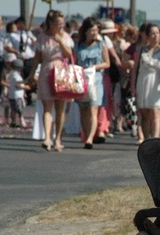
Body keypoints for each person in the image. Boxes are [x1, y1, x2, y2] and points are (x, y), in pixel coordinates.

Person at [30, 9, 74, 152]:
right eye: (57, 23)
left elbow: (69, 54)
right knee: (47, 106)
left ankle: (58, 138)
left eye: (62, 22)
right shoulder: (42, 37)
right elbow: (37, 57)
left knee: (60, 108)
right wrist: (31, 74)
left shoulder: (66, 37)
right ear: (50, 23)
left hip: (61, 72)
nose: (60, 25)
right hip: (47, 71)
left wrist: (60, 41)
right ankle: (47, 137)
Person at [75, 17, 109, 150]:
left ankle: (90, 138)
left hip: (96, 79)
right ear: (85, 31)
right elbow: (74, 61)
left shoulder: (101, 45)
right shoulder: (78, 45)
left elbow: (107, 63)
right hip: (82, 79)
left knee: (93, 108)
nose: (94, 33)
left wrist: (94, 67)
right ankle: (86, 134)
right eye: (91, 30)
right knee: (83, 109)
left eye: (96, 30)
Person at [131, 23, 160, 144]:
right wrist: (133, 86)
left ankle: (155, 140)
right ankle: (146, 140)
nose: (155, 36)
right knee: (144, 113)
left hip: (156, 82)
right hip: (143, 81)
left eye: (157, 33)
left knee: (156, 111)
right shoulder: (141, 51)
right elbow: (135, 69)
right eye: (152, 33)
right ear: (148, 36)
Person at [5, 16, 37, 106]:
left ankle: (30, 95)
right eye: (19, 24)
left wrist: (31, 39)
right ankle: (22, 96)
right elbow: (8, 46)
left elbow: (35, 43)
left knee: (29, 77)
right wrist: (15, 51)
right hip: (19, 58)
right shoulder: (13, 35)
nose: (21, 25)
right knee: (20, 78)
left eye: (22, 24)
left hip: (29, 58)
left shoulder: (28, 34)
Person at [4, 57, 29, 127]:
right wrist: (26, 86)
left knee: (13, 109)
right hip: (17, 95)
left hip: (12, 94)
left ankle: (13, 121)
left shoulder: (10, 74)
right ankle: (21, 120)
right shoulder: (16, 75)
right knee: (19, 109)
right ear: (19, 68)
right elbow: (19, 84)